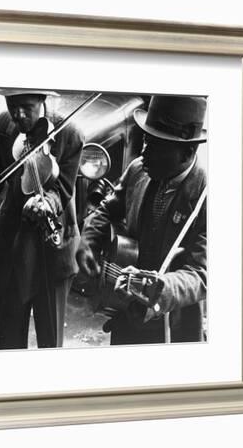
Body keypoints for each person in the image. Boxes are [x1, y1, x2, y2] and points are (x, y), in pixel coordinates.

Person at [77, 95, 207, 345]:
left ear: (187, 152)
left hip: (171, 327)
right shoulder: (139, 169)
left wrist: (163, 288)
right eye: (145, 139)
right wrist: (88, 239)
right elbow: (107, 209)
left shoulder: (207, 195)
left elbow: (201, 274)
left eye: (156, 146)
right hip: (125, 314)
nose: (144, 152)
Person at [0, 89, 84, 349]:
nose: (18, 114)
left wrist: (48, 203)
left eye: (26, 106)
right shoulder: (2, 124)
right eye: (12, 105)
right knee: (8, 340)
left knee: (50, 341)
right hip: (12, 243)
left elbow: (64, 188)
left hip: (52, 247)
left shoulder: (69, 132)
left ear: (42, 100)